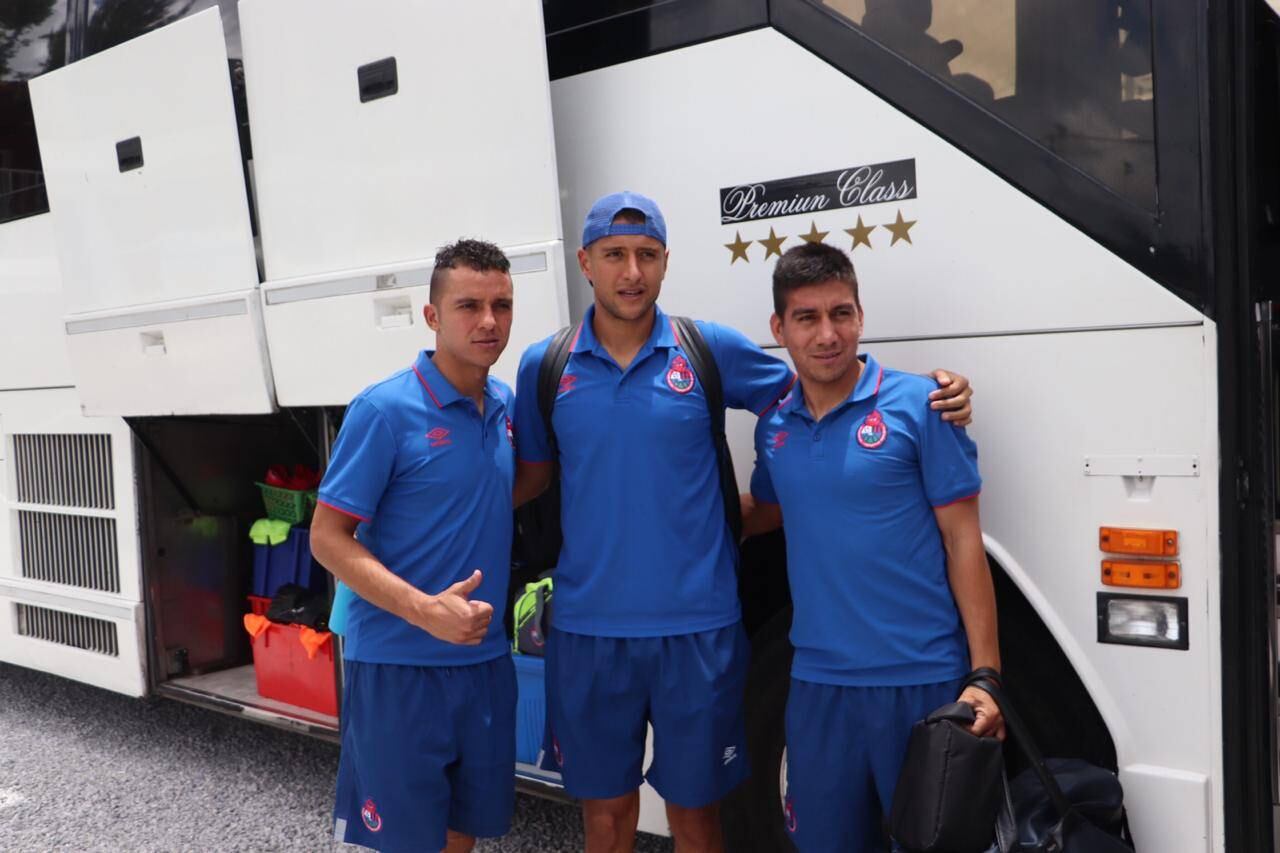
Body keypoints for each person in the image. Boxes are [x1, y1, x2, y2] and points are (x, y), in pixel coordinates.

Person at [512, 191, 976, 853]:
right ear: (586, 262)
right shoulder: (546, 364)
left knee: (698, 821)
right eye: (614, 255)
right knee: (605, 822)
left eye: (647, 254)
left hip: (699, 629)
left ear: (665, 261)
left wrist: (928, 396)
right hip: (589, 631)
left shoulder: (709, 349)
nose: (632, 272)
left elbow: (816, 390)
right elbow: (529, 477)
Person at [743, 242, 1003, 852]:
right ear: (779, 329)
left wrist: (987, 677)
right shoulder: (774, 427)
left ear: (860, 317)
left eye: (841, 313)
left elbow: (963, 540)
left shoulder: (923, 406)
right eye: (807, 318)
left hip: (923, 681)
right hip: (817, 687)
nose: (827, 334)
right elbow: (767, 511)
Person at [310, 239, 518, 853]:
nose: (488, 321)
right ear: (432, 316)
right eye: (468, 306)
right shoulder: (383, 410)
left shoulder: (505, 405)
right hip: (399, 669)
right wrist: (424, 610)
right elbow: (327, 537)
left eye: (502, 305)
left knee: (461, 836)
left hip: (484, 664)